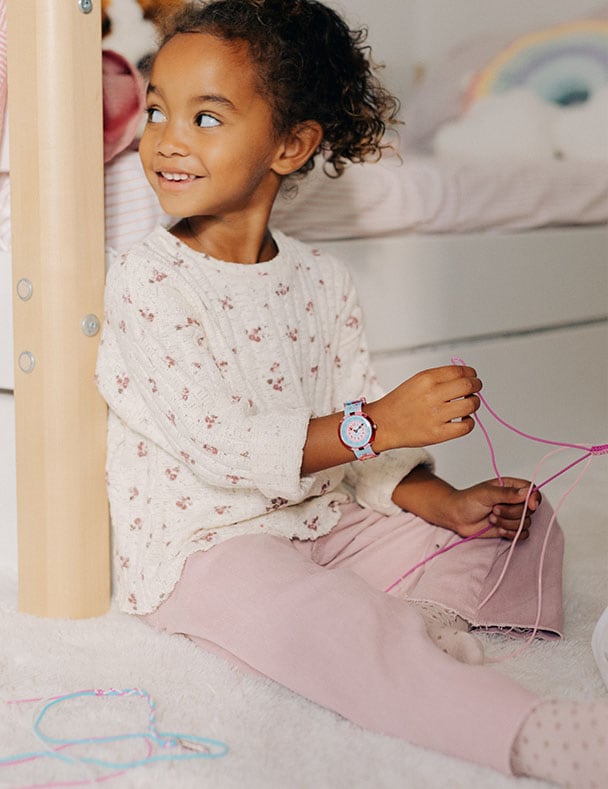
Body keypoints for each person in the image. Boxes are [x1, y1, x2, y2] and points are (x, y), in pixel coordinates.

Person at [95, 1, 607, 785]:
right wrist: (379, 423)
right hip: (212, 549)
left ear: (291, 145)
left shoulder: (320, 279)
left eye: (206, 117)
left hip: (326, 519)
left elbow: (361, 450)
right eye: (158, 109)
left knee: (524, 525)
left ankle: (423, 622)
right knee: (329, 619)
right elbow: (222, 445)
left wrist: (446, 503)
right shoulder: (146, 280)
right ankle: (532, 730)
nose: (166, 138)